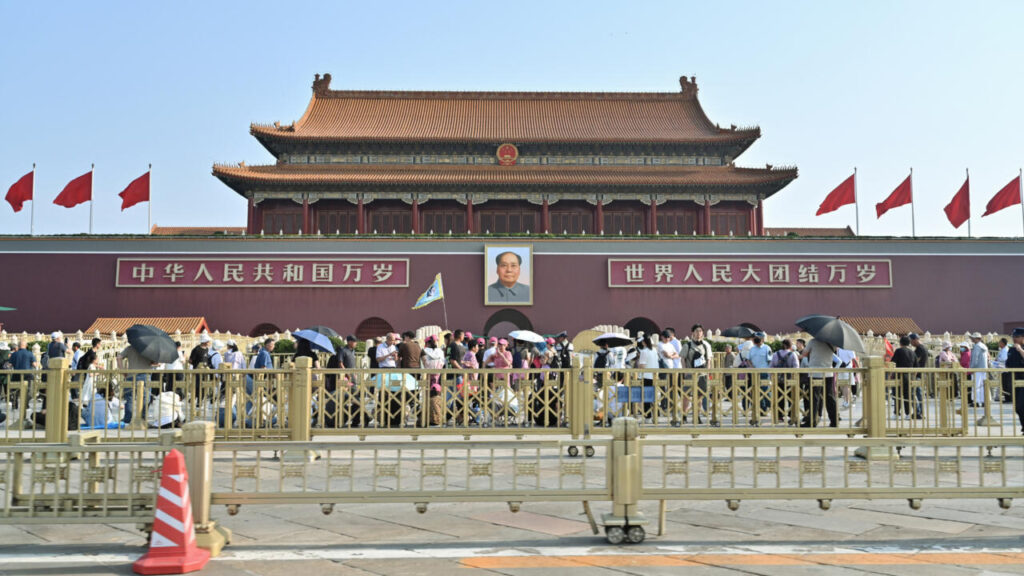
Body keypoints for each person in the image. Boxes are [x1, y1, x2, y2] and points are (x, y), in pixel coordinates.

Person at [800, 337, 840, 427]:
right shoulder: (832, 342)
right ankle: (834, 421)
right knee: (830, 397)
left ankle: (812, 421)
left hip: (815, 372)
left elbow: (804, 353)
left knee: (814, 397)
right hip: (828, 372)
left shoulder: (812, 342)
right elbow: (836, 351)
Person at [679, 324, 714, 425]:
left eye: (700, 331)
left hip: (701, 374)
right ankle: (684, 416)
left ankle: (696, 416)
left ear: (703, 333)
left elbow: (709, 360)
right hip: (690, 374)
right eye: (696, 331)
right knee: (686, 396)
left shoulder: (706, 345)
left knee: (699, 397)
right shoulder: (688, 345)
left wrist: (707, 372)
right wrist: (685, 371)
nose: (698, 333)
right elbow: (682, 359)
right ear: (692, 333)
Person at [891, 336, 922, 418]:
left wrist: (891, 375)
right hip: (909, 376)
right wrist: (913, 378)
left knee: (897, 395)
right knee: (908, 395)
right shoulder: (913, 353)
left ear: (900, 343)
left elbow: (892, 364)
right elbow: (916, 368)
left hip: (898, 375)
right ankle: (908, 413)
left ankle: (896, 413)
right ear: (909, 343)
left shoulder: (898, 351)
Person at [770, 339, 799, 422]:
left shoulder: (776, 354)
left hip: (778, 380)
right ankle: (791, 414)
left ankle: (779, 415)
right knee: (791, 398)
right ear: (790, 346)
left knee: (779, 397)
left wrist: (771, 377)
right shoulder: (793, 354)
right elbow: (796, 367)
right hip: (790, 380)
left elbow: (771, 366)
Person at [1001, 328, 1024, 433]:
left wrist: (1020, 350)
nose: (1014, 339)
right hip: (1015, 381)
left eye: (1017, 337)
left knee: (1021, 406)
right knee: (1018, 408)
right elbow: (1008, 363)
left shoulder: (1019, 349)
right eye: (1013, 337)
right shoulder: (1011, 349)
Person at [635, 335, 660, 420]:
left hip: (646, 376)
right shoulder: (654, 350)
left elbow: (642, 365)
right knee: (653, 396)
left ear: (643, 342)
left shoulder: (644, 351)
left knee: (646, 397)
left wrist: (638, 361)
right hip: (654, 376)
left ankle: (648, 416)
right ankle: (656, 415)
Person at [969, 332, 989, 407]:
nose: (972, 339)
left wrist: (971, 368)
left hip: (977, 369)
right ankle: (984, 400)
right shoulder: (984, 346)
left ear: (977, 339)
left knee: (976, 385)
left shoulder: (977, 346)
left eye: (973, 338)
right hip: (984, 368)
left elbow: (975, 359)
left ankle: (976, 401)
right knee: (983, 385)